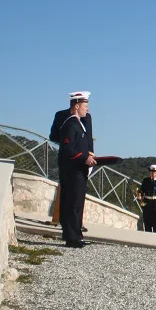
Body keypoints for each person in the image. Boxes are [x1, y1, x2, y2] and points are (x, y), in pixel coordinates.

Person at [56, 91, 97, 248]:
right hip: (73, 170)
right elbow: (67, 148)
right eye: (85, 106)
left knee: (76, 203)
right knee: (73, 203)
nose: (87, 109)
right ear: (77, 106)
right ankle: (72, 237)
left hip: (78, 169)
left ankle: (74, 234)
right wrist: (84, 158)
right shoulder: (71, 124)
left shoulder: (78, 123)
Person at [137, 164, 156, 233]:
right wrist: (139, 195)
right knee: (147, 223)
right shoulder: (146, 180)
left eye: (154, 172)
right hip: (147, 203)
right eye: (151, 172)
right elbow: (141, 190)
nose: (153, 174)